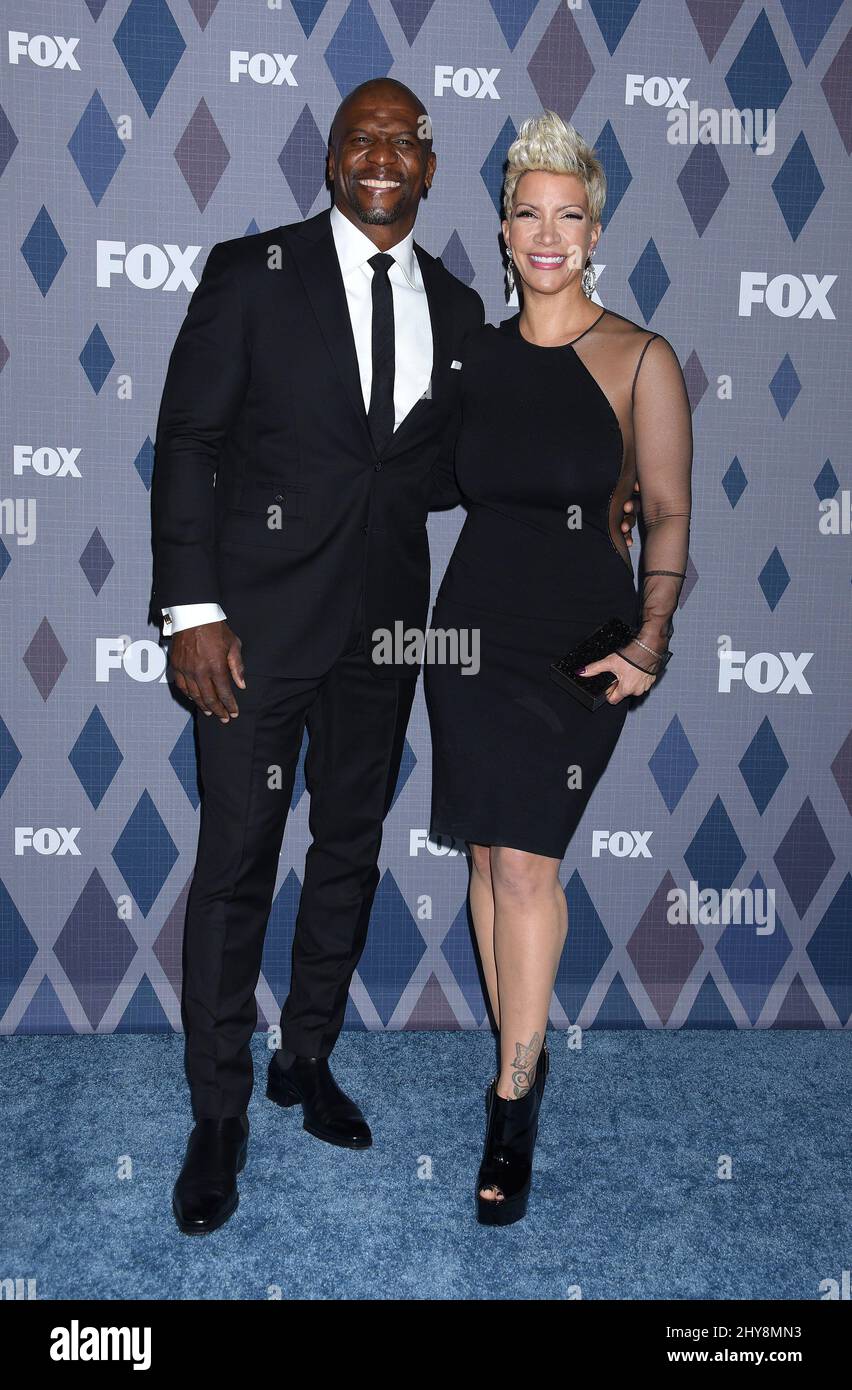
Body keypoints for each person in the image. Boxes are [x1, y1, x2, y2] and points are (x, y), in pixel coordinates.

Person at [424, 111, 693, 1226]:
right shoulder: (475, 355)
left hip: (582, 641)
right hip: (474, 627)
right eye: (527, 213)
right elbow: (420, 479)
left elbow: (669, 510)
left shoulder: (640, 357)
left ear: (595, 230)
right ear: (502, 232)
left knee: (528, 866)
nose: (548, 233)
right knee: (488, 863)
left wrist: (650, 640)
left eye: (567, 214)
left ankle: (512, 1098)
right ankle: (522, 1046)